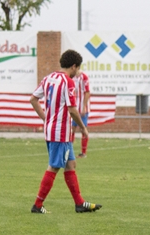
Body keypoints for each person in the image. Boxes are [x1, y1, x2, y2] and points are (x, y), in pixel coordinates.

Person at [28, 49, 102, 214]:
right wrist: (83, 128)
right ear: (74, 66)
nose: (77, 73)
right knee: (54, 167)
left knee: (71, 164)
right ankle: (37, 205)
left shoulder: (49, 78)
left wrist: (46, 119)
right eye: (77, 68)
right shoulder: (68, 82)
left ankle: (79, 203)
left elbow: (33, 99)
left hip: (54, 131)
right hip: (60, 132)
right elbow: (73, 110)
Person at [71, 69, 91, 157]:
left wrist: (83, 106)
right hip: (74, 107)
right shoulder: (71, 77)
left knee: (83, 129)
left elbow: (87, 92)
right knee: (72, 129)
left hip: (83, 108)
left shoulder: (84, 77)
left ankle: (83, 152)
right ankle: (69, 151)